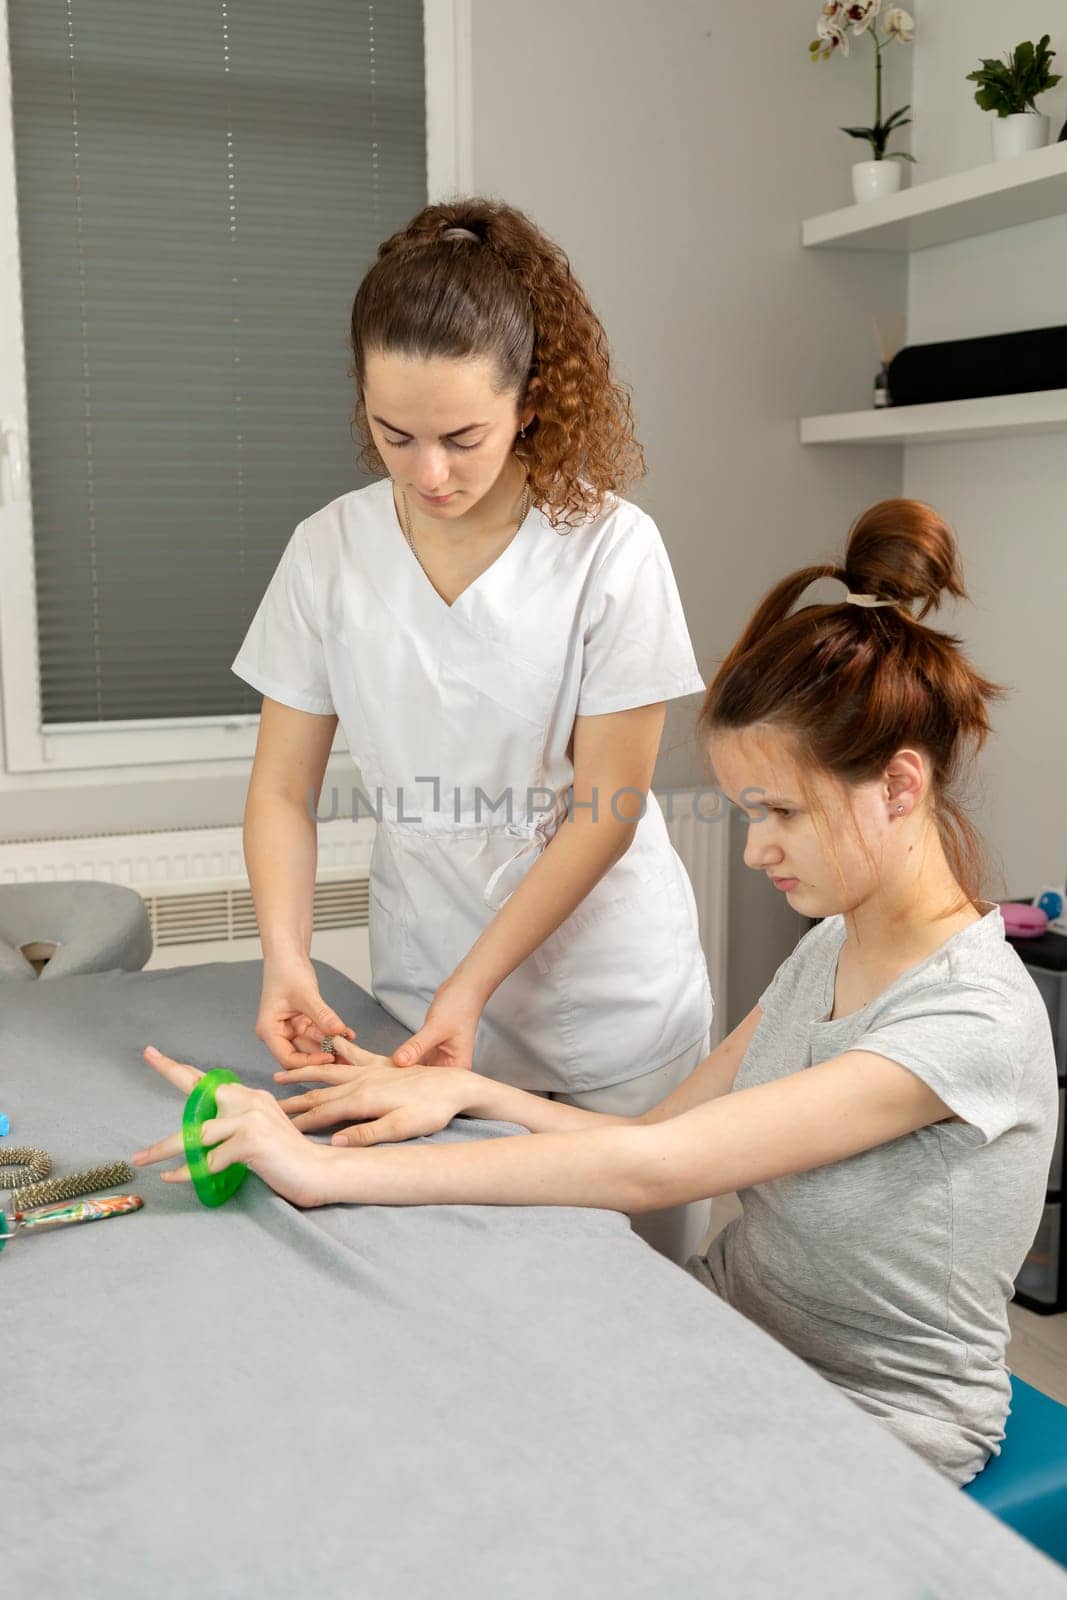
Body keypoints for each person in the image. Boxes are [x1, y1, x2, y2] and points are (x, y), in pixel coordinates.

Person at [136, 497, 1058, 1486]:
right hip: (726, 1334)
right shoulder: (828, 948)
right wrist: (470, 1094)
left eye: (779, 812)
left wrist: (327, 1174)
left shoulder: (968, 1019)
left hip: (872, 1417)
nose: (754, 851)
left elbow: (654, 1170)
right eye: (748, 813)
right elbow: (652, 1133)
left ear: (900, 786)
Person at [228, 197, 713, 1261]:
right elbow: (279, 791)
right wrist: (285, 956)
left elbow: (606, 810)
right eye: (393, 435)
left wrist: (476, 983)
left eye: (462, 437)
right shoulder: (328, 553)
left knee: (643, 1321)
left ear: (530, 399)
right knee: (459, 1306)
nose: (429, 472)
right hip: (419, 996)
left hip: (604, 1011)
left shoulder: (609, 552)